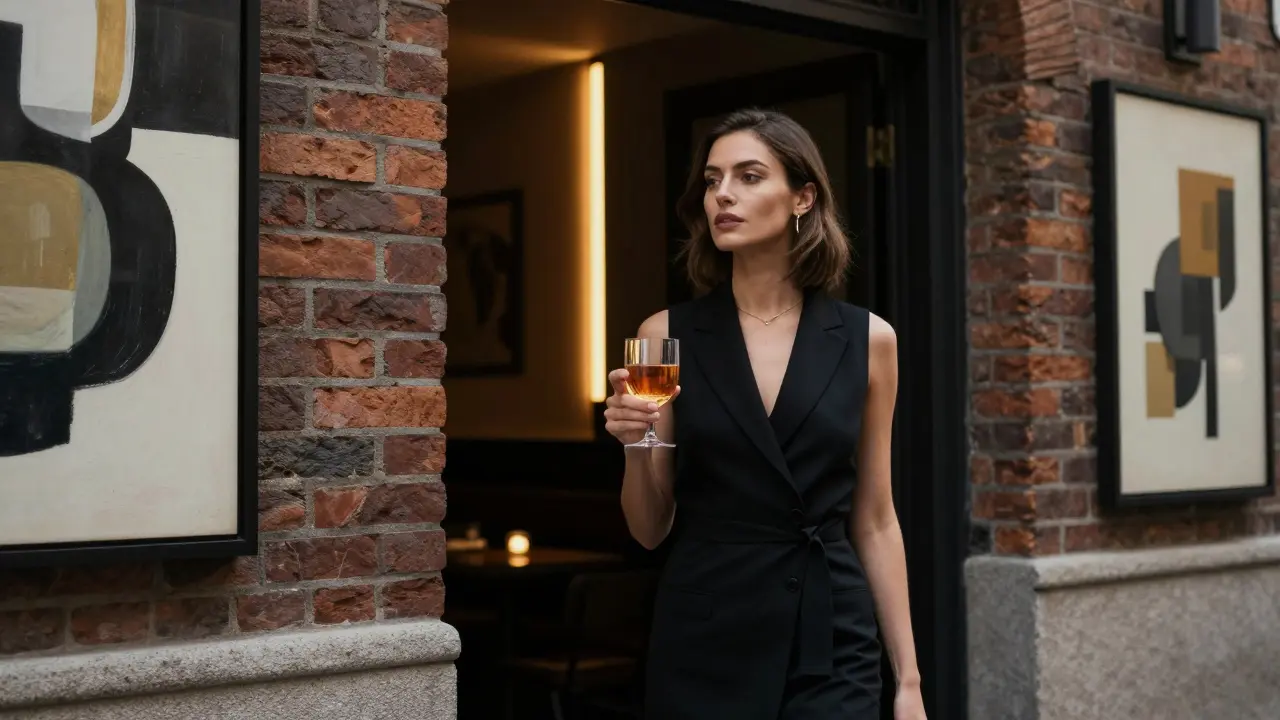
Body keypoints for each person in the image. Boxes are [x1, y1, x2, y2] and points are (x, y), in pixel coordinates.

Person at [601, 108, 926, 720]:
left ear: (803, 197)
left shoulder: (869, 339)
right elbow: (648, 527)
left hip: (831, 638)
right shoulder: (660, 337)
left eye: (749, 176)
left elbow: (877, 518)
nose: (722, 193)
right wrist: (636, 443)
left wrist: (907, 679)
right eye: (711, 179)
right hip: (706, 633)